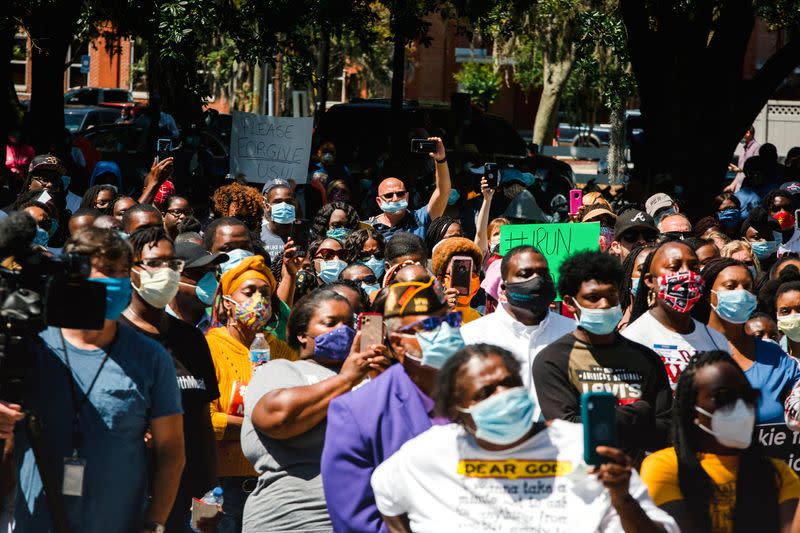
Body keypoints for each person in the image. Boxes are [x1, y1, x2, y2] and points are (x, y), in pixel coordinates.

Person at [371, 344, 679, 533]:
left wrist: (622, 499)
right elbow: (385, 490)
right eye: (486, 393)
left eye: (510, 383)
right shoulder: (426, 455)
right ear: (458, 412)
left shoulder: (581, 447)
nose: (504, 395)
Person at [13, 227, 185, 533]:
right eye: (105, 271)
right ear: (73, 275)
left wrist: (155, 524)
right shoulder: (32, 346)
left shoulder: (151, 358)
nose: (116, 281)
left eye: (122, 272)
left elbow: (171, 450)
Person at [322, 274, 466, 532]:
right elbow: (357, 522)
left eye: (450, 321)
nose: (446, 332)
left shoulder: (486, 391)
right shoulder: (355, 413)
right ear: (399, 343)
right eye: (431, 326)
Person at [241, 289, 388, 531]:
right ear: (301, 335)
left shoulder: (372, 378)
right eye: (330, 323)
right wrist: (346, 380)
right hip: (294, 519)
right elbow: (277, 418)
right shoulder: (282, 370)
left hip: (363, 520)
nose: (343, 331)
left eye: (349, 323)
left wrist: (386, 385)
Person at [119, 226, 221, 533]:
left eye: (171, 263)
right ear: (129, 270)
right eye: (154, 263)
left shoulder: (190, 339)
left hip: (186, 498)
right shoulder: (114, 336)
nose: (164, 271)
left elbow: (203, 421)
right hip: (125, 494)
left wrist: (210, 496)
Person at [640, 350, 799, 532]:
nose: (740, 407)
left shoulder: (778, 473)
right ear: (692, 411)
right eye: (724, 398)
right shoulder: (666, 467)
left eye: (748, 397)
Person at [534, 251, 672, 457]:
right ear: (571, 302)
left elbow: (666, 431)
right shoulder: (552, 360)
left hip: (637, 481)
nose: (605, 304)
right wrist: (639, 412)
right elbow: (569, 430)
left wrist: (600, 421)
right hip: (578, 479)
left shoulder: (646, 359)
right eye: (593, 297)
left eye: (611, 295)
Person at [206, 254, 296, 533]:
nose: (259, 300)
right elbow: (205, 421)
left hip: (273, 486)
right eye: (249, 292)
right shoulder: (209, 348)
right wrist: (262, 426)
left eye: (265, 293)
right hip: (220, 490)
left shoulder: (283, 352)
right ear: (227, 303)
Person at [459, 245, 574, 410]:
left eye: (543, 273)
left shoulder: (574, 333)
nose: (537, 281)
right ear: (504, 287)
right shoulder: (472, 336)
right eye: (525, 274)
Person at [702, 258, 799, 423]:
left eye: (747, 287)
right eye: (731, 286)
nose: (741, 294)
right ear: (708, 294)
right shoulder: (688, 349)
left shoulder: (775, 357)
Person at [622, 240, 729, 391]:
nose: (686, 274)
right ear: (649, 281)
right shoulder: (633, 340)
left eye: (693, 267)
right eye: (674, 267)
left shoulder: (717, 341)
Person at [366, 137, 451, 240]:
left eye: (400, 194)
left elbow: (443, 191)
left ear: (407, 196)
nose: (395, 198)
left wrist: (440, 160)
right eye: (389, 195)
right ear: (379, 201)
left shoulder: (420, 219)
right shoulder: (368, 229)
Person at [169, 241, 228, 333]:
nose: (210, 279)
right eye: (200, 271)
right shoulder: (154, 327)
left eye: (212, 271)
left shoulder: (219, 332)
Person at [430, 237, 483, 323]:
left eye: (472, 272)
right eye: (458, 272)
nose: (467, 278)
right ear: (441, 279)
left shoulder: (483, 321)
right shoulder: (432, 319)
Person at [260, 178, 296, 261]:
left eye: (288, 201)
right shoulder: (258, 235)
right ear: (267, 206)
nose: (284, 205)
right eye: (278, 202)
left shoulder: (304, 234)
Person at [619, 245, 653, 329]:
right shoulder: (614, 318)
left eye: (653, 270)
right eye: (642, 270)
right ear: (629, 274)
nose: (648, 276)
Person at [727, 125, 761, 192]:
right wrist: (733, 184)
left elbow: (756, 171)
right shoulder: (744, 149)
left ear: (747, 133)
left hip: (749, 189)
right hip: (739, 189)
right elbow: (740, 173)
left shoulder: (757, 148)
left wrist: (739, 170)